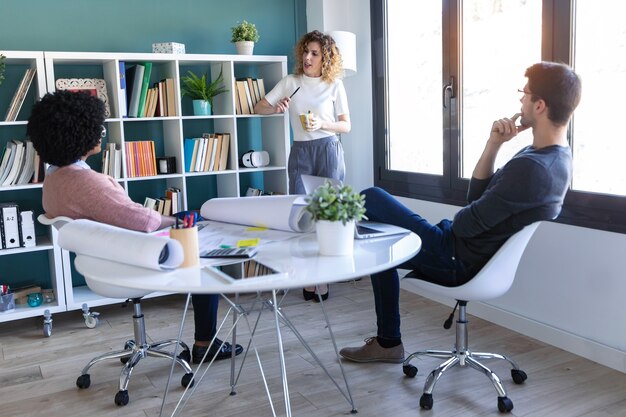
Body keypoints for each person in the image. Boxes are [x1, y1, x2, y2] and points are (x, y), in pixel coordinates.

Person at [339, 61, 581, 363]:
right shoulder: (552, 157)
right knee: (379, 239)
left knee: (372, 198)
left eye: (525, 93)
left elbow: (466, 221)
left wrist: (456, 222)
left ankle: (386, 338)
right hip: (463, 249)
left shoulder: (532, 169)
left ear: (540, 105)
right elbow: (475, 196)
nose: (520, 100)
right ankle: (387, 341)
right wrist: (493, 144)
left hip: (456, 257)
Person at [27, 90, 242, 364]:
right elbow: (143, 221)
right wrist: (176, 221)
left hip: (103, 261)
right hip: (130, 260)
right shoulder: (88, 183)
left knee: (190, 218)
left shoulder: (53, 178)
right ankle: (205, 343)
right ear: (80, 134)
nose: (102, 132)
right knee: (198, 238)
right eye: (98, 127)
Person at [254, 29, 351, 302]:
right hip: (301, 151)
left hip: (329, 148)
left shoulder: (335, 85)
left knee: (328, 214)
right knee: (301, 213)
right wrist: (276, 108)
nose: (308, 57)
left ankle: (323, 280)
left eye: (315, 53)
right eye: (306, 51)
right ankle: (308, 277)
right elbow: (258, 107)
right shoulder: (291, 82)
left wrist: (322, 124)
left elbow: (346, 125)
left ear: (325, 58)